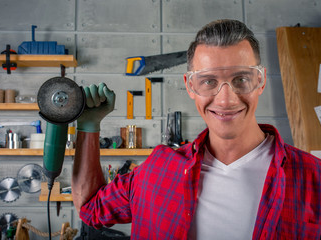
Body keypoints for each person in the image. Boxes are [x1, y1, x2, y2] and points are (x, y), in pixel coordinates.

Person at [71, 19, 321, 239]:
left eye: (241, 80)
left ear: (261, 80)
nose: (226, 100)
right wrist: (89, 126)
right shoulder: (158, 170)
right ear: (190, 86)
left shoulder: (314, 177)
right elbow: (90, 207)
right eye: (209, 81)